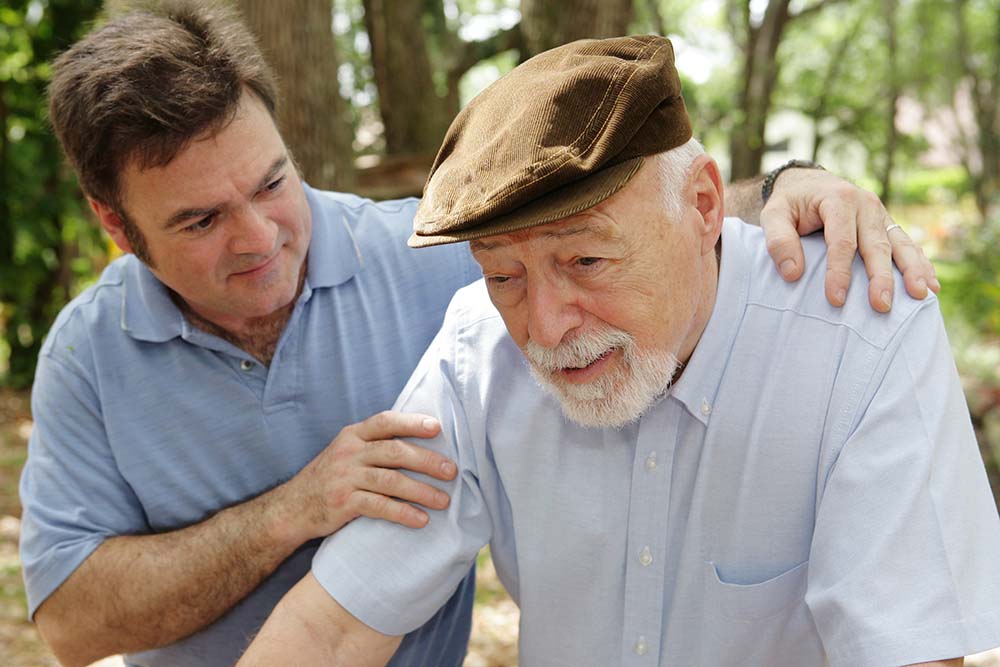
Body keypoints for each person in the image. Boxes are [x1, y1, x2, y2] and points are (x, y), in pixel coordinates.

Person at [20, 3, 937, 666]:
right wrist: (292, 510)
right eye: (199, 221)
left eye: (271, 183)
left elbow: (608, 232)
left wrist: (790, 190)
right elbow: (68, 624)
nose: (262, 239)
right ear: (116, 224)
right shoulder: (86, 358)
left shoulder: (427, 262)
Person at [239, 35, 1000, 667]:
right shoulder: (476, 348)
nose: (545, 327)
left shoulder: (862, 333)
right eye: (503, 273)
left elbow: (912, 654)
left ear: (703, 206)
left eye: (586, 261)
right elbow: (335, 629)